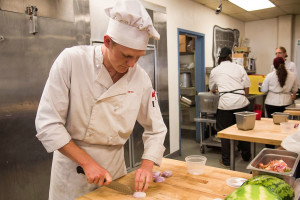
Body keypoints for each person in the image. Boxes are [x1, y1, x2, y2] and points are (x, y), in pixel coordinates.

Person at [35, 0, 167, 199]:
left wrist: (147, 165)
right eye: (126, 56)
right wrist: (87, 163)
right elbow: (48, 124)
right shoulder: (72, 61)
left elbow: (156, 128)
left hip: (114, 169)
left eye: (138, 57)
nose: (132, 65)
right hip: (73, 170)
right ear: (107, 41)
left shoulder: (141, 78)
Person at [209, 47, 251, 167]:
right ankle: (246, 155)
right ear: (230, 56)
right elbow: (246, 85)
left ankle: (226, 160)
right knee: (243, 131)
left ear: (220, 58)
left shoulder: (215, 70)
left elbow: (212, 88)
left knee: (225, 134)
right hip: (241, 103)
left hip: (225, 105)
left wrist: (218, 89)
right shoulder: (239, 67)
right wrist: (244, 99)